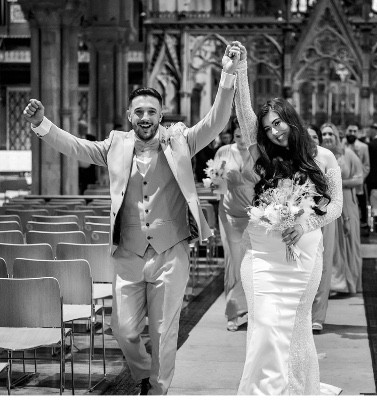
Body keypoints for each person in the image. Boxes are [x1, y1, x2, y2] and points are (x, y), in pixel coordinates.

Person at [22, 43, 241, 396]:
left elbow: (215, 120)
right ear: (129, 115)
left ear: (161, 114)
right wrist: (41, 124)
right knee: (123, 330)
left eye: (152, 111)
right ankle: (142, 372)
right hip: (128, 253)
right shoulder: (115, 144)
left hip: (171, 252)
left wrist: (228, 73)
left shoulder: (181, 140)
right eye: (139, 111)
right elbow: (76, 146)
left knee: (164, 331)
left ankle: (157, 390)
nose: (145, 117)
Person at [233, 42, 343, 395]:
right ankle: (264, 391)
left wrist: (304, 224)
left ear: (290, 119)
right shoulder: (264, 155)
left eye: (277, 123)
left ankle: (298, 390)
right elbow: (244, 112)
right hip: (263, 255)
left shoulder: (323, 158)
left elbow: (335, 205)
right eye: (267, 128)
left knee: (297, 327)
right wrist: (241, 68)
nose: (274, 132)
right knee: (264, 324)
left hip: (304, 254)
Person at [213, 119, 259, 331]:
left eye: (246, 136)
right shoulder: (223, 152)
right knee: (233, 263)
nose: (242, 141)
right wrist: (216, 180)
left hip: (253, 216)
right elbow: (216, 186)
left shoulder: (258, 153)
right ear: (233, 135)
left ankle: (250, 311)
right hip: (229, 215)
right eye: (238, 136)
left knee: (251, 264)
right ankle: (232, 313)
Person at [321, 122, 363, 294]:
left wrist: (337, 183)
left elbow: (359, 179)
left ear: (337, 136)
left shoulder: (348, 154)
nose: (327, 137)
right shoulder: (319, 155)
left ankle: (352, 283)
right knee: (332, 245)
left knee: (350, 241)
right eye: (324, 134)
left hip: (347, 201)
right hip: (328, 203)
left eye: (330, 134)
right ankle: (334, 284)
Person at [306, 124, 335, 333]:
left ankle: (318, 316)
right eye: (307, 136)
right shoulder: (294, 159)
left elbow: (335, 193)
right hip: (302, 218)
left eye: (315, 137)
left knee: (323, 266)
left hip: (325, 217)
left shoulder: (327, 158)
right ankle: (302, 314)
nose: (311, 140)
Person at [77, 120, 97, 194]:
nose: (85, 130)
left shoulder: (91, 138)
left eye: (86, 128)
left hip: (89, 169)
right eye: (83, 128)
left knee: (87, 189)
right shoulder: (74, 137)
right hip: (78, 169)